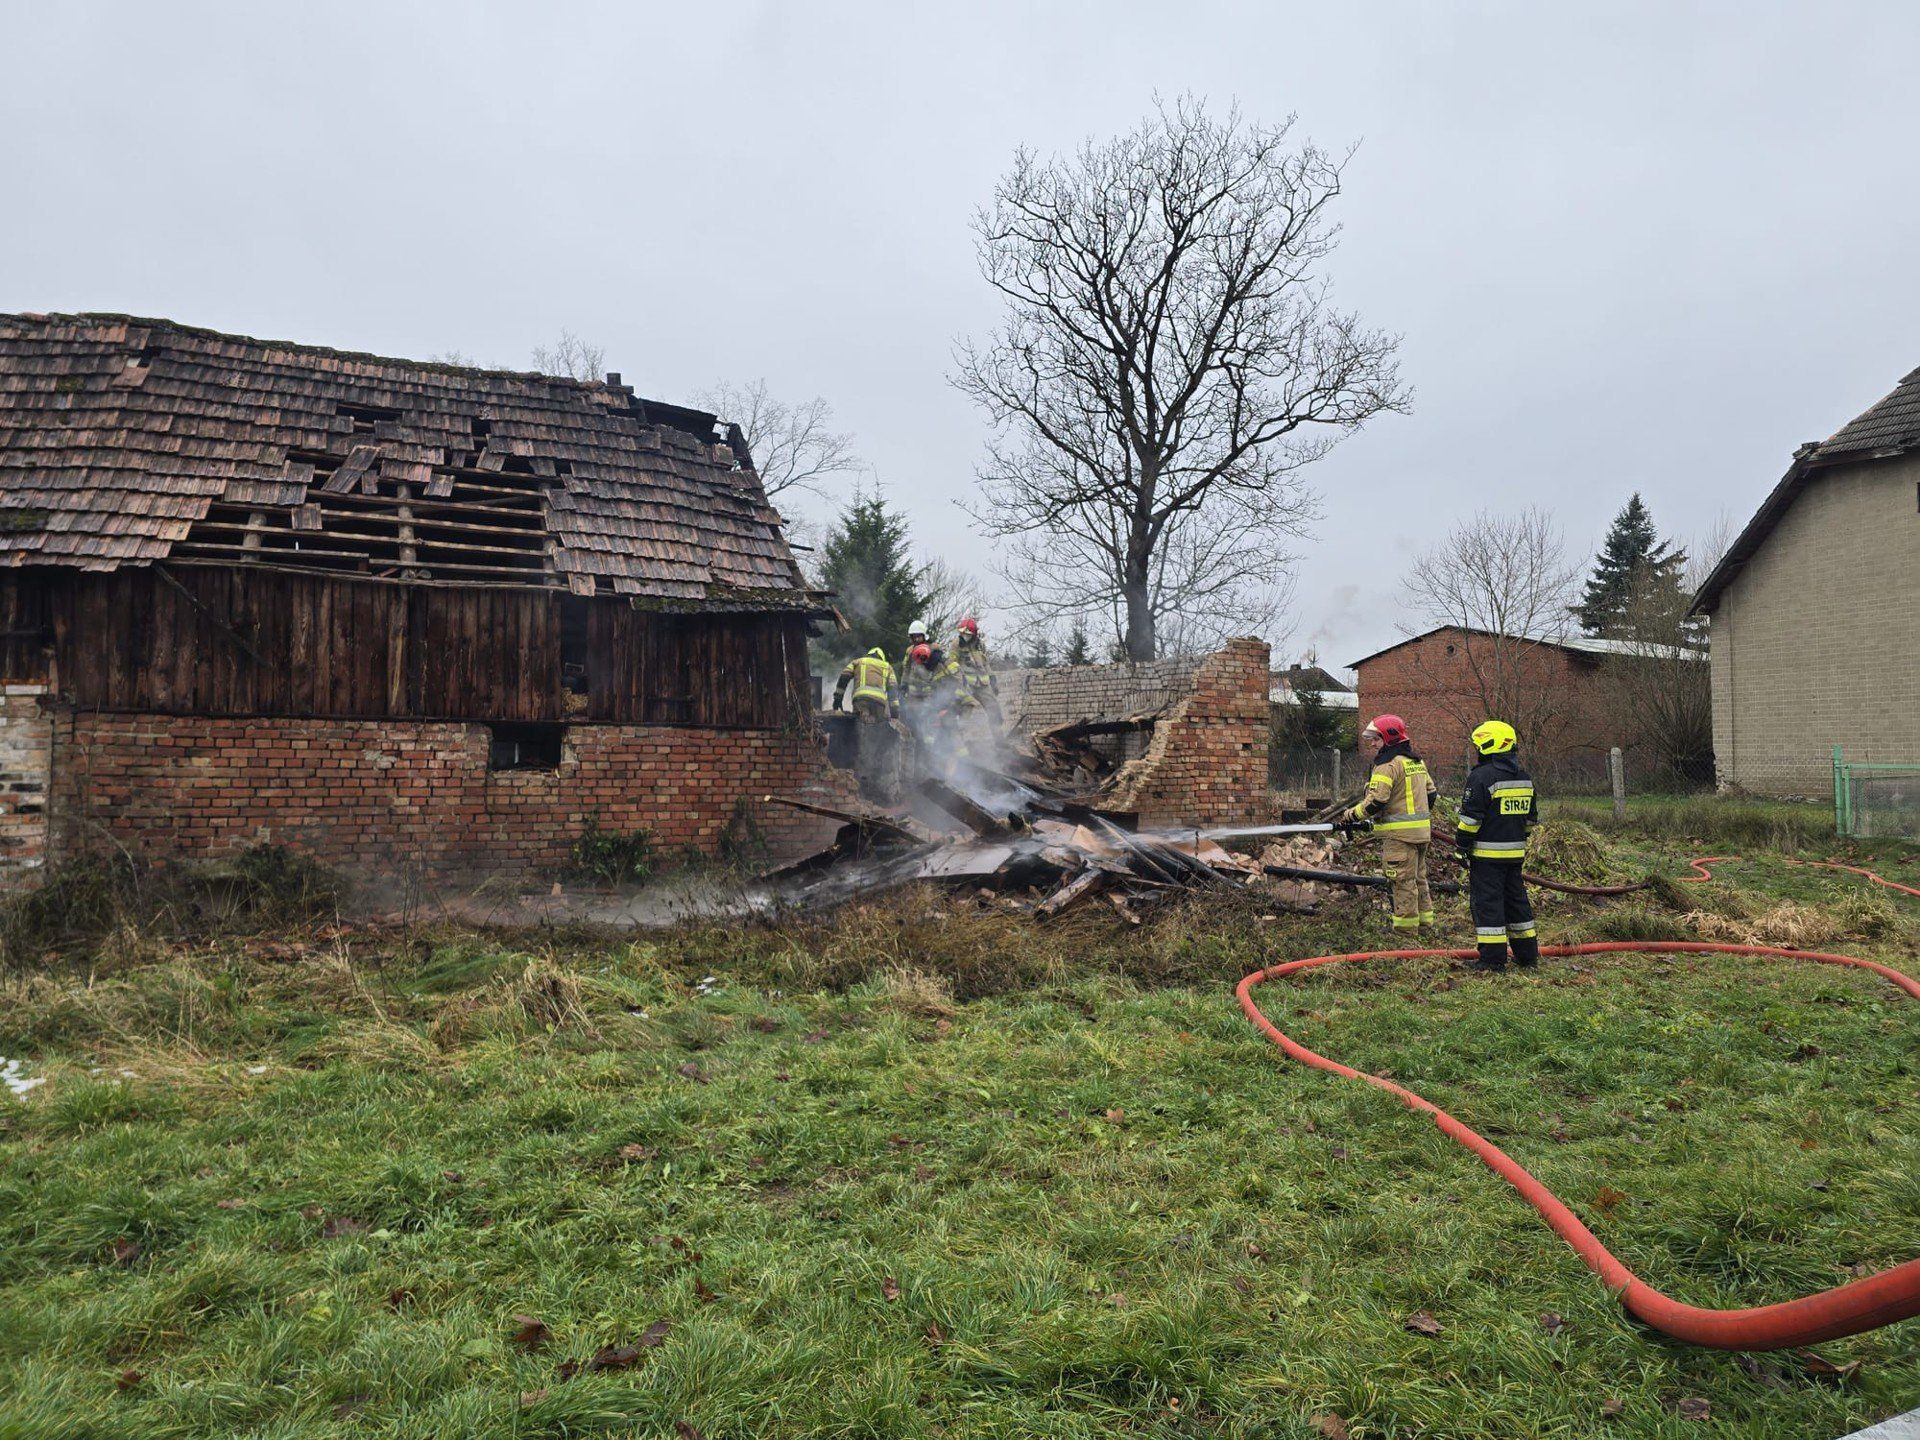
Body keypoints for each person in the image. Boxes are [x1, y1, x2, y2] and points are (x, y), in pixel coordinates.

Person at [1455, 718, 1539, 971]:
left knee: (1489, 906)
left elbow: (1471, 820)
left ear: (1488, 746)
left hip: (1486, 857)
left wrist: (1461, 846)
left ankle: (1492, 960)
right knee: (1517, 904)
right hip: (1515, 855)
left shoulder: (1481, 777)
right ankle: (1527, 956)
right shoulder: (1524, 777)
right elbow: (1530, 821)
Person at [1346, 713, 1437, 931]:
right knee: (1419, 879)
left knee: (1402, 882)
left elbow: (1376, 801)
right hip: (1421, 834)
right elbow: (1431, 794)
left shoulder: (1387, 765)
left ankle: (1405, 931)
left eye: (1376, 739)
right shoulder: (1416, 761)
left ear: (1389, 738)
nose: (1372, 744)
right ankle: (1425, 925)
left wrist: (1352, 815)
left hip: (1399, 837)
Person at [832, 647, 901, 800]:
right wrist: (895, 713)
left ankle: (859, 777)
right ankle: (874, 776)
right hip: (879, 705)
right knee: (875, 736)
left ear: (869, 655)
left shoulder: (859, 661)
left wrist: (838, 698)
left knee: (861, 734)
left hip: (861, 701)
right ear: (881, 657)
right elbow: (893, 692)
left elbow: (844, 677)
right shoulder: (887, 666)